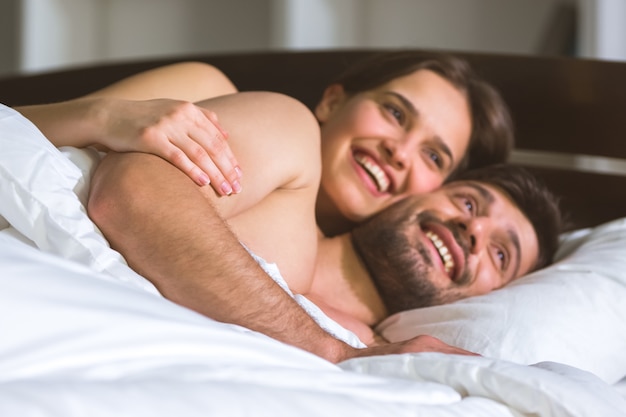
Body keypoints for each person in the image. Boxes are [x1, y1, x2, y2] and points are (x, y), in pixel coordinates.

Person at [87, 90, 561, 359]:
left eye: (500, 254)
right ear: (419, 192)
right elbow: (133, 189)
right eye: (468, 203)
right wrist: (327, 348)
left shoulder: (395, 356)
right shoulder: (285, 179)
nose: (472, 233)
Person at [16, 51, 514, 237]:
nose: (399, 151)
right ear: (332, 101)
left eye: (433, 156)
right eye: (395, 112)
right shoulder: (202, 89)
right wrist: (102, 117)